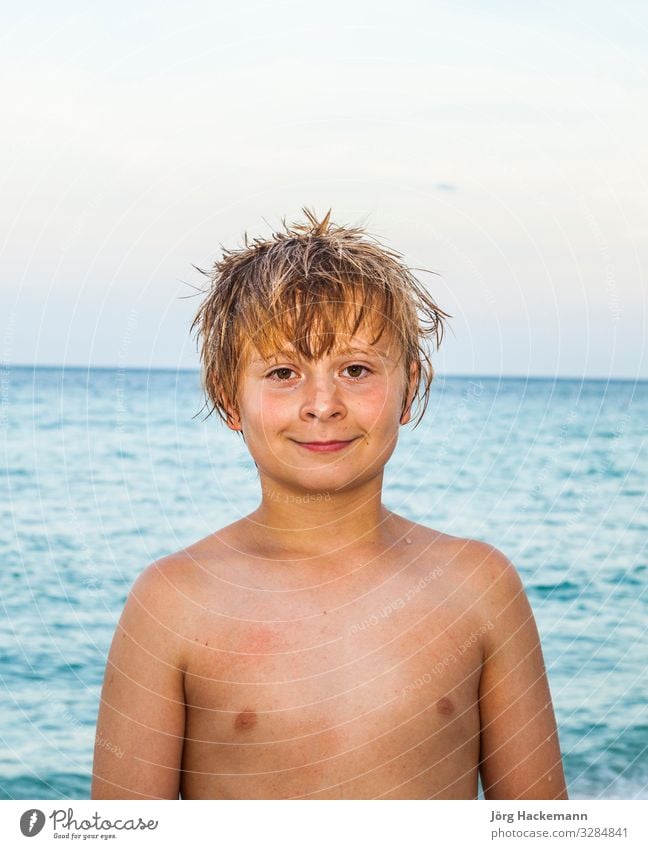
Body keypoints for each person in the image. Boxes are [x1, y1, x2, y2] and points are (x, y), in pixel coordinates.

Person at [91, 208, 568, 800]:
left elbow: (541, 823)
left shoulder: (478, 586)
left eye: (356, 369)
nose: (323, 404)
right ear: (228, 397)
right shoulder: (173, 600)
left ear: (409, 389)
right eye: (285, 371)